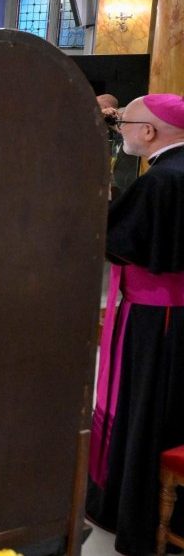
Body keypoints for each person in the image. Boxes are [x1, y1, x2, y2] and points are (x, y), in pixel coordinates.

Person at [86, 93, 184, 555]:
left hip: (155, 320)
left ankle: (132, 513)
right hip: (175, 319)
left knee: (145, 409)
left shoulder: (162, 180)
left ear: (149, 131)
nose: (121, 129)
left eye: (125, 122)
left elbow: (117, 240)